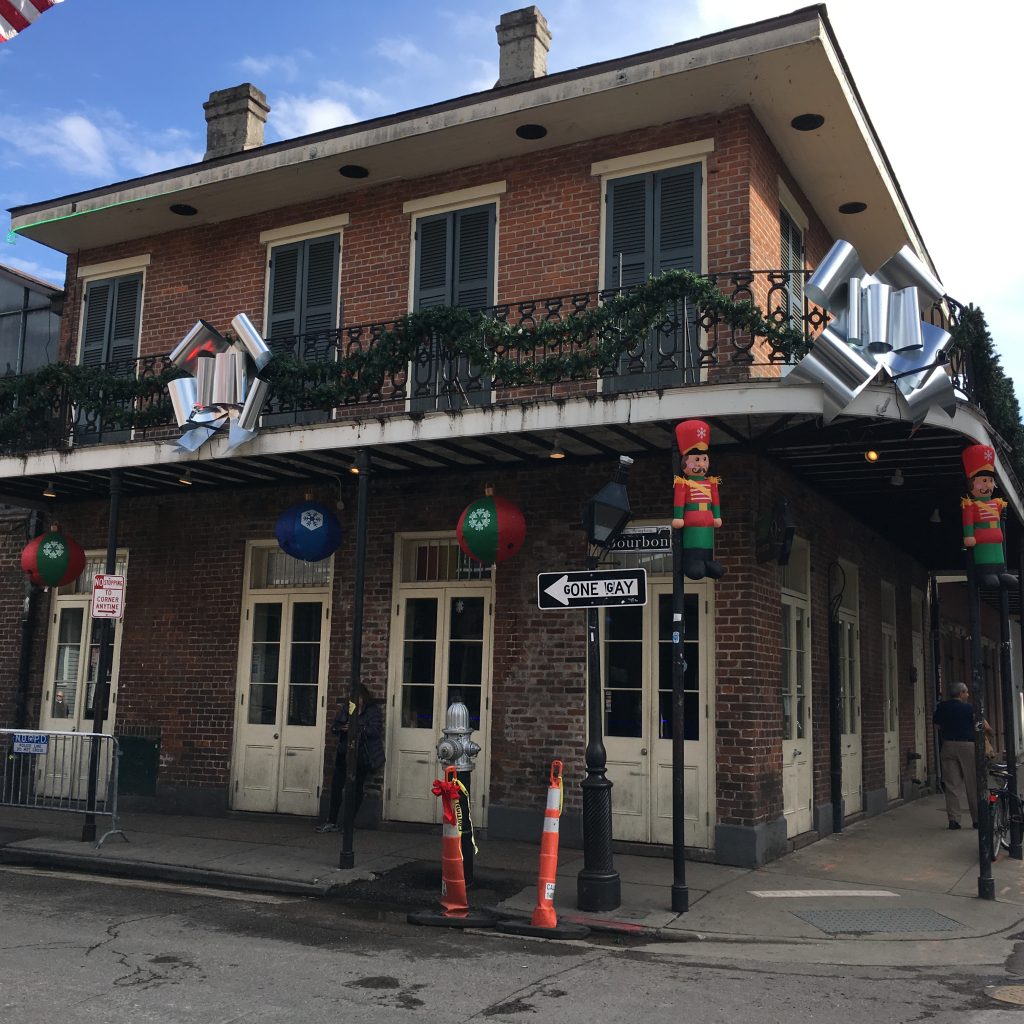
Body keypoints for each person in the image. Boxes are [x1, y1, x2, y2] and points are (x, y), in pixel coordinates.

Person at [315, 684, 386, 833]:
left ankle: (348, 823)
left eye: (358, 697)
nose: (355, 701)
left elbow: (375, 730)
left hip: (362, 753)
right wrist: (341, 727)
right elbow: (335, 726)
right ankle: (332, 820)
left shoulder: (371, 710)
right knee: (336, 785)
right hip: (345, 751)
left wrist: (356, 727)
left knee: (356, 787)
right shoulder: (348, 708)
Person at [933, 681, 992, 830]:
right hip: (967, 746)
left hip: (948, 745)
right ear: (961, 694)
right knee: (973, 783)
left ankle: (954, 820)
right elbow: (984, 727)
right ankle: (977, 819)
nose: (968, 695)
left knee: (952, 785)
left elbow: (937, 725)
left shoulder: (942, 707)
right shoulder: (969, 708)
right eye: (966, 692)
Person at [671, 419, 725, 581]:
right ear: (685, 463)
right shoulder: (684, 483)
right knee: (694, 540)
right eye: (697, 459)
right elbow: (679, 501)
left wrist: (717, 516)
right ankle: (693, 561)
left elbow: (715, 500)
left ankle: (707, 561)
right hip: (692, 519)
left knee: (707, 540)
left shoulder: (711, 482)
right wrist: (678, 517)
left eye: (704, 459)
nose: (701, 464)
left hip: (708, 519)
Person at [961, 443, 1017, 589]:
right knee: (985, 558)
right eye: (984, 481)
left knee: (998, 556)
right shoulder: (970, 506)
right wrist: (969, 535)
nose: (988, 485)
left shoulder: (997, 503)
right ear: (972, 483)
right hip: (981, 540)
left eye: (990, 481)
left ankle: (1001, 571)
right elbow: (968, 523)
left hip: (997, 539)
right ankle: (986, 574)